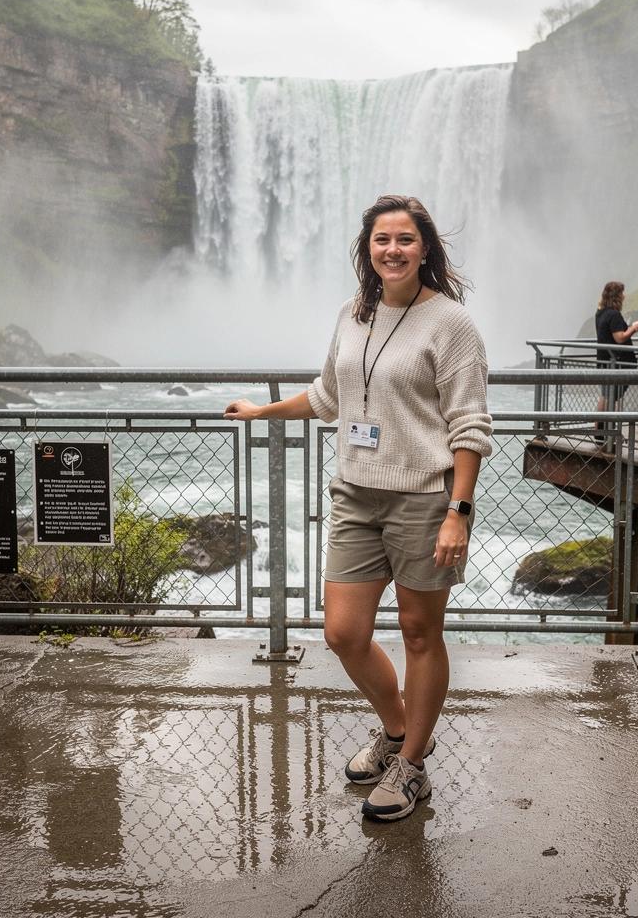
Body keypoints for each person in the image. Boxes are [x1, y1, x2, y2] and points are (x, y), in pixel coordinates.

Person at [224, 194, 492, 823]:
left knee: (421, 633)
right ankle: (398, 731)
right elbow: (327, 396)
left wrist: (459, 510)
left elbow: (470, 426)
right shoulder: (353, 314)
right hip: (355, 492)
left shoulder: (451, 324)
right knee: (344, 633)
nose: (392, 250)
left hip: (425, 499)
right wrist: (263, 411)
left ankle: (413, 766)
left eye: (405, 239)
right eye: (381, 240)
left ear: (425, 249)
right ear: (366, 249)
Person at [594, 281, 638, 444]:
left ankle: (600, 432)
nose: (624, 295)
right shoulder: (614, 315)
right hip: (617, 363)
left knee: (606, 395)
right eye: (622, 293)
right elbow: (619, 337)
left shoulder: (600, 313)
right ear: (617, 296)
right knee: (611, 397)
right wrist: (633, 328)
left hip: (604, 361)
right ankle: (608, 432)